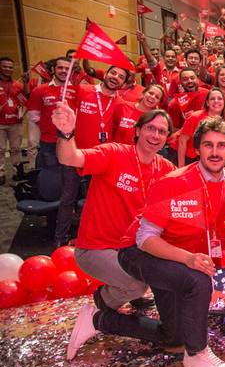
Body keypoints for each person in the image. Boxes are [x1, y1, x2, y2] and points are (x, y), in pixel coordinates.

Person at [67, 116, 225, 367]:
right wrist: (188, 258)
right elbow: (144, 239)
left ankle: (98, 320)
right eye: (208, 145)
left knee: (173, 337)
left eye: (221, 145)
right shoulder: (175, 182)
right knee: (198, 280)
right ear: (197, 149)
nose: (215, 152)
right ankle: (197, 354)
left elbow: (224, 192)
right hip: (138, 252)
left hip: (169, 255)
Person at [53, 104, 175, 321]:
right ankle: (103, 301)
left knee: (170, 264)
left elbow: (195, 189)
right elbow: (69, 157)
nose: (155, 135)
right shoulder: (113, 153)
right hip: (96, 248)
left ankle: (126, 288)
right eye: (150, 128)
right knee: (136, 285)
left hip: (132, 249)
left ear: (167, 138)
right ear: (138, 130)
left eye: (162, 131)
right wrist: (66, 133)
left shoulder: (165, 168)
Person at [56, 65, 129, 247]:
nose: (115, 77)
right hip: (75, 154)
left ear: (123, 83)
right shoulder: (83, 90)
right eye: (113, 73)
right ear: (105, 73)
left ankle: (90, 239)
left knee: (96, 203)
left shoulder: (121, 103)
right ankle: (60, 238)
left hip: (101, 160)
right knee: (68, 198)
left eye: (121, 77)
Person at [178, 88, 225, 167]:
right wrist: (181, 167)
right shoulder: (195, 117)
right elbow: (182, 141)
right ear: (207, 103)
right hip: (189, 159)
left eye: (219, 98)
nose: (216, 101)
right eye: (212, 99)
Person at [0, 57, 25, 184]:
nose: (8, 69)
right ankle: (0, 174)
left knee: (16, 149)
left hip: (15, 122)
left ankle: (17, 172)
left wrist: (23, 110)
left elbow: (24, 100)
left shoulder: (18, 84)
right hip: (0, 123)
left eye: (10, 67)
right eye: (5, 66)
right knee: (0, 149)